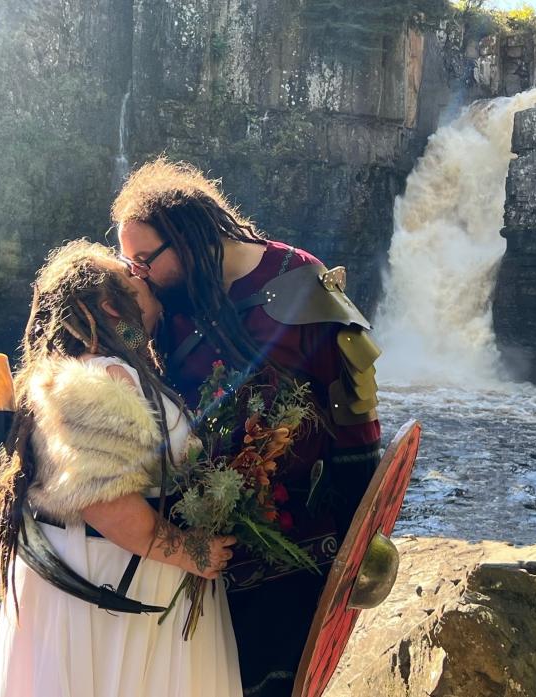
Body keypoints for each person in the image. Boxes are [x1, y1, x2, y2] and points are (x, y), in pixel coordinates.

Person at [113, 158, 382, 697]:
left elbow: (355, 421)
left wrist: (358, 545)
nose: (137, 275)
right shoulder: (171, 306)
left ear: (189, 238)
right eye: (130, 263)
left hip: (300, 549)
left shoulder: (300, 281)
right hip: (203, 552)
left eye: (144, 260)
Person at [0, 239, 242, 697]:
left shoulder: (109, 370)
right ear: (106, 304)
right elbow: (106, 503)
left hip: (122, 575)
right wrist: (191, 552)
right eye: (129, 276)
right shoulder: (101, 378)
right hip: (114, 585)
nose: (141, 274)